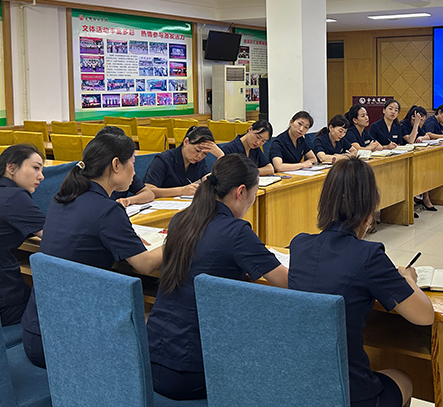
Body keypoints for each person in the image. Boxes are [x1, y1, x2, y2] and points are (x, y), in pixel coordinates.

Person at [289, 159, 434, 407]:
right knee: (403, 379)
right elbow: (425, 316)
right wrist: (408, 279)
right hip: (349, 393)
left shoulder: (299, 245)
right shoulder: (369, 256)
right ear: (369, 209)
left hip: (302, 385)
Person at [147, 154, 288, 400]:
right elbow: (286, 281)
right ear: (240, 192)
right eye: (254, 194)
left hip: (150, 359)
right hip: (190, 371)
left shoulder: (181, 220)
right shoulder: (237, 232)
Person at [22, 133, 163, 367]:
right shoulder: (107, 210)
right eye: (132, 163)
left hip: (37, 332)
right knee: (159, 324)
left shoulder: (61, 198)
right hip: (69, 342)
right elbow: (146, 265)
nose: (134, 172)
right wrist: (180, 237)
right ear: (116, 165)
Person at [0, 144, 45, 326]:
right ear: (11, 167)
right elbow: (53, 237)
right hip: (2, 303)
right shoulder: (15, 196)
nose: (41, 176)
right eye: (36, 168)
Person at [144, 126, 224, 198]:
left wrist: (221, 156)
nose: (199, 156)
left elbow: (209, 181)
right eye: (197, 150)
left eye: (205, 153)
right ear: (186, 142)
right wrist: (181, 191)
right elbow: (148, 190)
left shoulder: (199, 162)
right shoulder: (163, 160)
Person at [95, 126, 155, 207]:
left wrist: (128, 200)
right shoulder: (95, 178)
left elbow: (149, 193)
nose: (133, 172)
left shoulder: (125, 171)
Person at [400, 106, 436, 212]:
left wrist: (421, 137)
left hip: (415, 155)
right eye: (420, 120)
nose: (421, 123)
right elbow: (410, 140)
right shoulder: (403, 125)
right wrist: (416, 124)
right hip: (404, 158)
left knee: (425, 171)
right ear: (413, 117)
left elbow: (427, 136)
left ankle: (425, 197)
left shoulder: (417, 126)